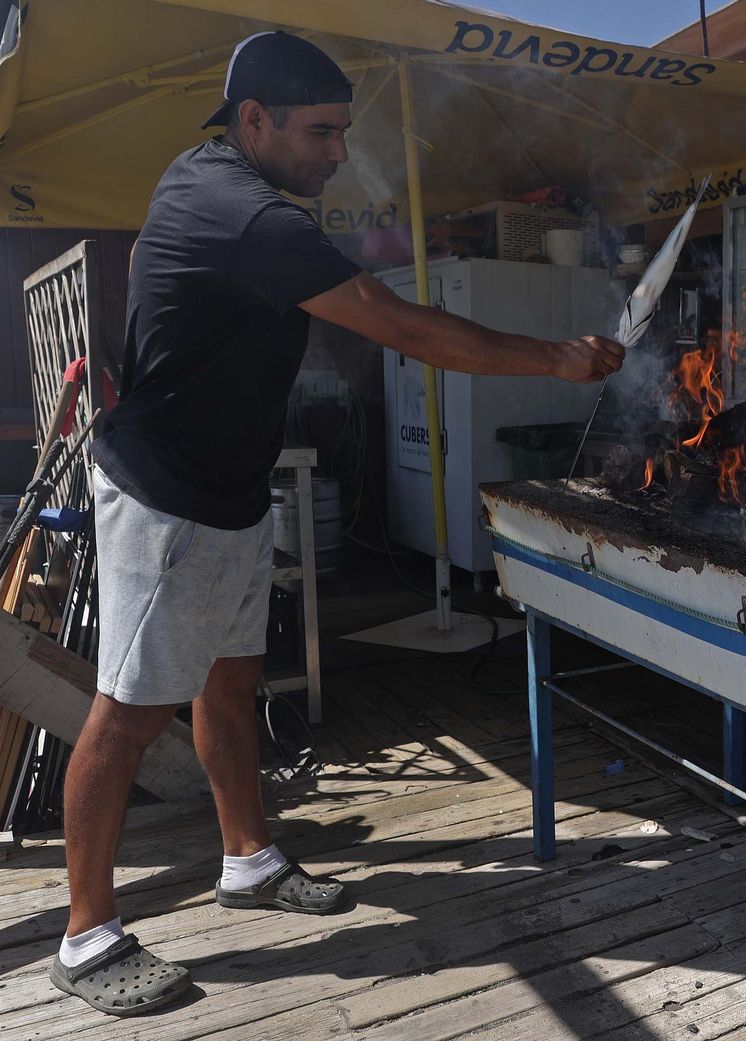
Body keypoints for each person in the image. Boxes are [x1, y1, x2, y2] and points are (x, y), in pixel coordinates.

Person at [51, 32, 623, 1017]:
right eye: (319, 133)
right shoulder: (244, 212)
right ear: (254, 121)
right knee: (129, 713)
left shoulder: (213, 184)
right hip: (162, 495)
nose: (334, 154)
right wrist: (554, 358)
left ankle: (248, 861)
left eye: (342, 132)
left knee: (232, 686)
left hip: (230, 489)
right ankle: (85, 933)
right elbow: (397, 325)